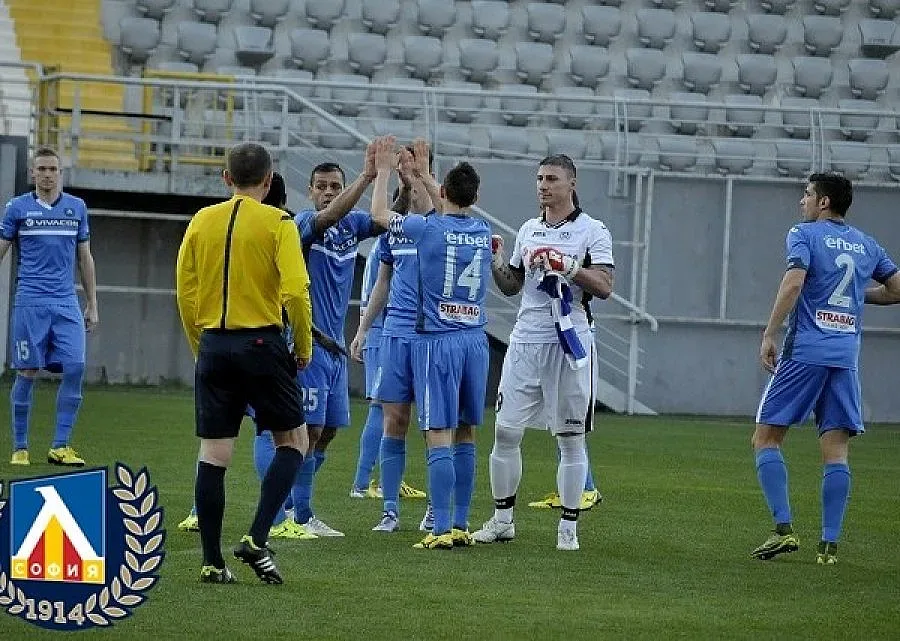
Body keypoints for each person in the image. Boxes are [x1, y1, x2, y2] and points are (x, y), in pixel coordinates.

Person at [176, 142, 313, 584]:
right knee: (294, 442)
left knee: (214, 454)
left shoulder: (201, 221)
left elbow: (185, 293)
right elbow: (294, 291)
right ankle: (255, 538)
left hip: (214, 344)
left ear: (225, 178)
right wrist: (304, 346)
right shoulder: (279, 222)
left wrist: (202, 345)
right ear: (269, 182)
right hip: (262, 343)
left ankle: (212, 562)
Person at [750, 173, 900, 565]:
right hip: (845, 357)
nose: (802, 201)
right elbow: (897, 288)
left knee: (766, 438)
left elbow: (794, 284)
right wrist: (856, 296)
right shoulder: (867, 244)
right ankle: (829, 546)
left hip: (806, 352)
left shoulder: (804, 234)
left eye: (807, 194)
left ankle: (783, 530)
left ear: (824, 202)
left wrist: (769, 333)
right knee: (836, 451)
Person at [250, 139, 396, 538]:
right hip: (304, 344)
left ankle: (296, 509)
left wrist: (405, 179)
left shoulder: (353, 226)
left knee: (325, 431)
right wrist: (369, 175)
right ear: (310, 190)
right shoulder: (301, 225)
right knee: (293, 429)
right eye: (322, 186)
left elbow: (386, 219)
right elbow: (331, 215)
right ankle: (289, 516)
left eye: (335, 185)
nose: (329, 192)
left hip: (333, 350)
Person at [473, 154, 614, 552]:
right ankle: (503, 521)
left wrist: (568, 266)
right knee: (505, 430)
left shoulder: (593, 230)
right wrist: (498, 261)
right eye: (539, 178)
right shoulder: (529, 229)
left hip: (569, 342)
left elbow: (604, 286)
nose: (543, 185)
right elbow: (512, 285)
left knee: (570, 438)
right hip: (526, 341)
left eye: (552, 178)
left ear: (572, 183)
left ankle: (568, 528)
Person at [351, 142, 442, 535]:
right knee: (394, 419)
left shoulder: (442, 224)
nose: (402, 170)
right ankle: (389, 509)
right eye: (398, 164)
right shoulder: (396, 230)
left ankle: (436, 510)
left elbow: (444, 214)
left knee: (434, 425)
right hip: (396, 335)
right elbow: (382, 284)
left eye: (408, 164)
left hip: (434, 337)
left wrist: (418, 175)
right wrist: (362, 329)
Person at [0, 146, 98, 467]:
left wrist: (92, 303)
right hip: (30, 302)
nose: (46, 174)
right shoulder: (17, 209)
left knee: (76, 366)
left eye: (52, 169)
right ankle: (20, 446)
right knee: (27, 371)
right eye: (41, 169)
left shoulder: (76, 208)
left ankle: (60, 445)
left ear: (60, 173)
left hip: (66, 302)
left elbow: (84, 257)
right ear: (32, 173)